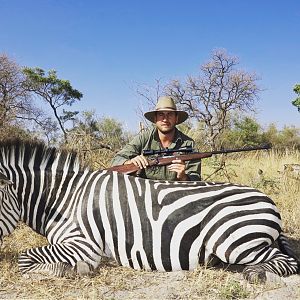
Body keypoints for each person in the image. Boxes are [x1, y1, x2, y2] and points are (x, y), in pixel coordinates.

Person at [110, 96, 201, 181]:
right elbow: (116, 159)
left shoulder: (189, 144)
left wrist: (183, 176)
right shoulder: (144, 138)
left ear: (176, 119)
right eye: (161, 114)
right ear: (155, 119)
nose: (165, 119)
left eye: (170, 114)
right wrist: (130, 162)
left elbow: (196, 178)